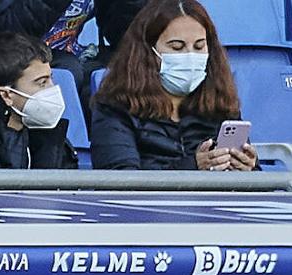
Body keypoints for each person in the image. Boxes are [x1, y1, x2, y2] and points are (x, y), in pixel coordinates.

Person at [91, 0, 256, 171]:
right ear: (148, 51)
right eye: (177, 47)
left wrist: (247, 170)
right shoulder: (114, 108)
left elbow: (256, 186)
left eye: (199, 46)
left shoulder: (220, 106)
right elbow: (118, 183)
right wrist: (193, 167)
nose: (190, 56)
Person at [0, 0, 145, 100]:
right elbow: (6, 28)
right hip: (13, 59)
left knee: (125, 72)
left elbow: (123, 33)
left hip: (74, 53)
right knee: (70, 71)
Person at [0, 32, 77, 169]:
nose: (52, 89)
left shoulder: (50, 135)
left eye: (51, 78)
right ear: (6, 95)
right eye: (42, 83)